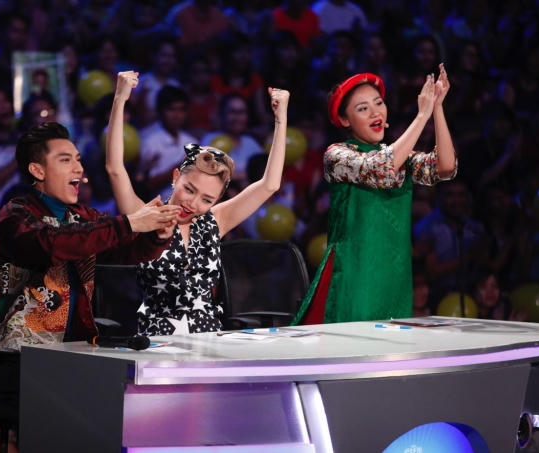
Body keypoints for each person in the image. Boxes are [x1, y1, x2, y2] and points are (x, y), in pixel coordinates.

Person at [106, 71, 289, 336]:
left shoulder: (215, 221)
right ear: (175, 177)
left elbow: (269, 185)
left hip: (209, 339)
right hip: (159, 342)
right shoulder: (147, 216)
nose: (192, 203)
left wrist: (280, 118)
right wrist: (120, 98)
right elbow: (115, 169)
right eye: (189, 190)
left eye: (207, 199)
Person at [0, 122, 180, 350]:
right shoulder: (14, 215)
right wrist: (130, 223)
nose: (79, 168)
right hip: (17, 351)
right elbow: (52, 245)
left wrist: (157, 235)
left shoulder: (82, 217)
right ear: (38, 170)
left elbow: (127, 249)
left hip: (76, 347)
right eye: (66, 160)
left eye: (78, 159)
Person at [292, 65, 457, 325]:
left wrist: (436, 108)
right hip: (354, 273)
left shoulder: (400, 157)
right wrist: (421, 116)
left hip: (394, 272)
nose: (375, 112)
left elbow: (445, 167)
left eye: (378, 103)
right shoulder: (337, 155)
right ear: (345, 120)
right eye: (362, 108)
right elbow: (381, 168)